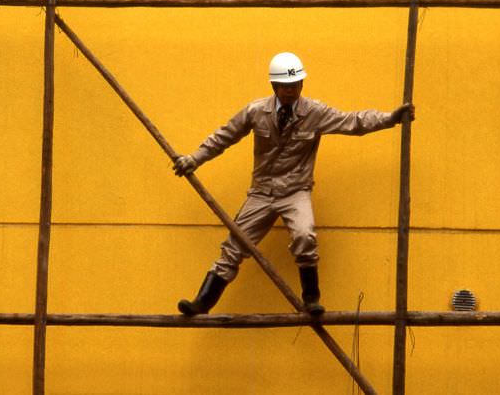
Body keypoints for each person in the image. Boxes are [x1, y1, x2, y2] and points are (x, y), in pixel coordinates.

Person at [173, 52, 413, 316]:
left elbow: (352, 122)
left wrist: (390, 118)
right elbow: (224, 136)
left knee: (304, 235)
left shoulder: (315, 113)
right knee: (234, 246)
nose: (290, 91)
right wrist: (194, 159)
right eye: (285, 87)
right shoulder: (256, 111)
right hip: (262, 192)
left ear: (302, 85)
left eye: (295, 86)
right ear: (274, 87)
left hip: (295, 192)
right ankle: (203, 302)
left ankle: (311, 297)